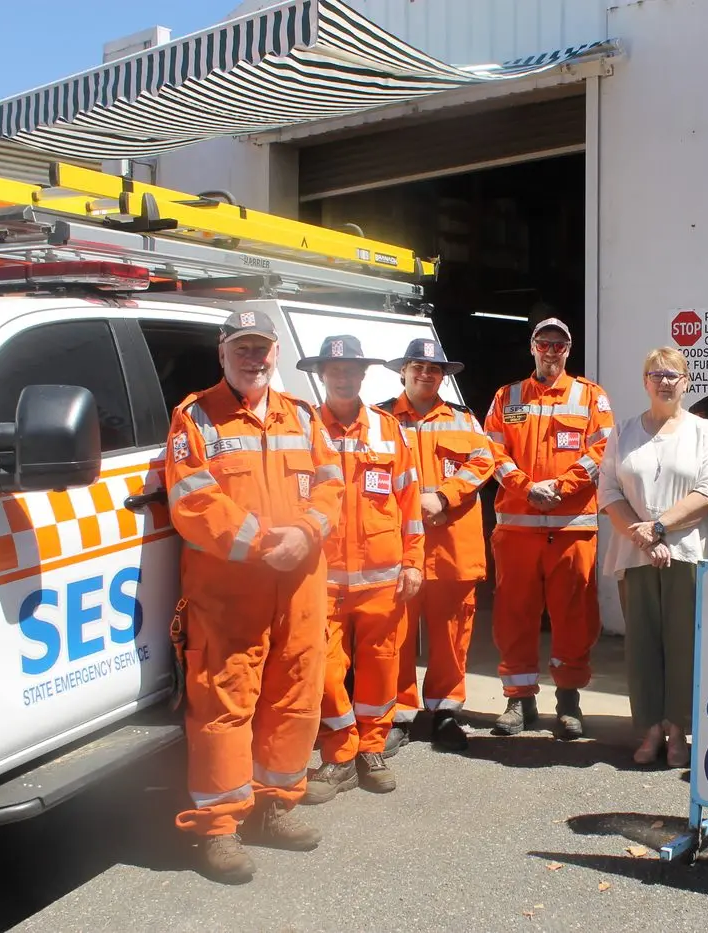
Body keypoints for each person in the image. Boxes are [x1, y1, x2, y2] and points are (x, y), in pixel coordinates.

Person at [165, 309, 344, 883]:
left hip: (299, 583)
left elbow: (331, 482)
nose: (253, 357)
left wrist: (307, 532)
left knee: (296, 692)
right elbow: (194, 501)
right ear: (222, 353)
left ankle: (275, 805)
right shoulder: (195, 417)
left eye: (262, 347)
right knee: (224, 702)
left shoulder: (303, 416)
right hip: (230, 587)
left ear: (275, 353)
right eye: (241, 347)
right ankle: (219, 827)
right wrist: (268, 543)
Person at [299, 335, 424, 802]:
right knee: (326, 670)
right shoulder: (305, 426)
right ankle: (339, 754)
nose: (343, 376)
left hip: (382, 577)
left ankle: (371, 749)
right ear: (322, 374)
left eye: (351, 369)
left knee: (380, 667)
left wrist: (413, 561)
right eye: (334, 369)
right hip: (321, 577)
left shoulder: (387, 429)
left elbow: (409, 500)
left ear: (363, 374)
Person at [483, 317, 615, 739]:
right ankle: (519, 702)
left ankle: (568, 702)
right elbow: (491, 449)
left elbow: (603, 449)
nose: (551, 350)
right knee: (514, 616)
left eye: (559, 344)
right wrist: (526, 488)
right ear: (533, 347)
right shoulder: (508, 396)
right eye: (544, 342)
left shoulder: (591, 396)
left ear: (569, 349)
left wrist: (562, 486)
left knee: (574, 618)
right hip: (518, 533)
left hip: (572, 532)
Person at [598, 347, 708, 767]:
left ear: (687, 381)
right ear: (645, 381)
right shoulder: (623, 431)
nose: (665, 381)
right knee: (643, 645)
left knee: (684, 644)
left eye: (673, 374)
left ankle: (678, 730)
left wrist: (661, 528)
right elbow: (610, 492)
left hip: (686, 552)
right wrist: (645, 538)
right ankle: (649, 727)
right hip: (634, 553)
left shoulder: (704, 431)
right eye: (656, 374)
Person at [381, 337, 493, 754]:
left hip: (451, 549)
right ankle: (401, 714)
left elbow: (484, 462)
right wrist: (412, 506)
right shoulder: (380, 419)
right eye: (417, 365)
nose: (425, 373)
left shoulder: (463, 420)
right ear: (403, 371)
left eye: (433, 368)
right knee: (397, 636)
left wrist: (443, 497)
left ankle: (446, 712)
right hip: (397, 548)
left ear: (443, 375)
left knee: (451, 636)